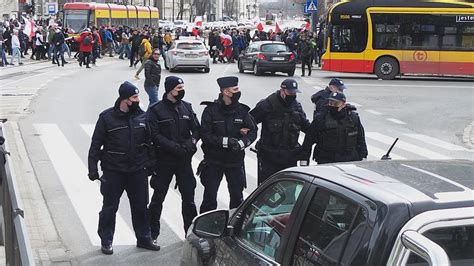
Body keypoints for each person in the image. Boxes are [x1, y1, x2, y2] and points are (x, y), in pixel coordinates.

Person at [87, 81, 160, 255]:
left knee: (141, 207)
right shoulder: (106, 118)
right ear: (124, 100)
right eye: (134, 97)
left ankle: (144, 238)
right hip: (114, 171)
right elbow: (96, 144)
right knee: (110, 207)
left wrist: (151, 165)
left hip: (137, 171)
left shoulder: (143, 117)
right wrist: (93, 168)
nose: (137, 100)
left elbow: (150, 144)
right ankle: (106, 240)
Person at [146, 76, 200, 240]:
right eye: (179, 88)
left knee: (189, 199)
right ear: (170, 89)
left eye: (183, 88)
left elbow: (197, 130)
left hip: (184, 160)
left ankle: (190, 234)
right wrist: (172, 147)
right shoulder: (156, 110)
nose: (182, 91)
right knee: (158, 199)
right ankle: (151, 234)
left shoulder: (187, 107)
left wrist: (190, 143)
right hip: (164, 161)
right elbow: (153, 135)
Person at [199, 76, 257, 213]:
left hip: (235, 163)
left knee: (237, 199)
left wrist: (242, 143)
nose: (238, 91)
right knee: (210, 198)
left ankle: (235, 229)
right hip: (214, 162)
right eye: (235, 89)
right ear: (226, 92)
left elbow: (253, 131)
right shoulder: (210, 111)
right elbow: (206, 136)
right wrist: (226, 142)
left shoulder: (242, 111)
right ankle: (206, 228)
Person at [250, 79, 310, 185]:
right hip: (269, 158)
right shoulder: (267, 105)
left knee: (289, 190)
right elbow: (250, 122)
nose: (292, 95)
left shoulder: (297, 107)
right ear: (282, 90)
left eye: (294, 93)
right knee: (268, 190)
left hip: (290, 158)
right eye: (290, 93)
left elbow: (307, 128)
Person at [302, 92, 368, 164]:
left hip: (349, 161)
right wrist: (304, 160)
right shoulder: (321, 118)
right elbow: (308, 140)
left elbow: (361, 139)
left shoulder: (353, 118)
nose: (332, 105)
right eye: (330, 103)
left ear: (343, 104)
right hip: (326, 161)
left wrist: (363, 157)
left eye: (335, 104)